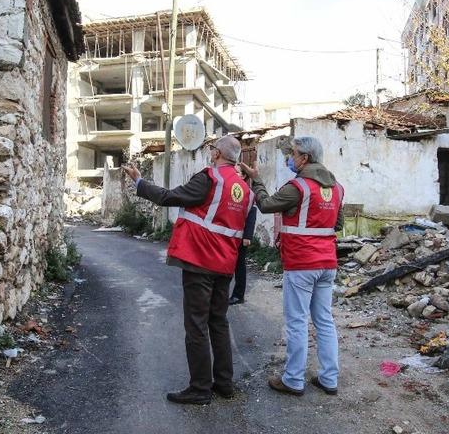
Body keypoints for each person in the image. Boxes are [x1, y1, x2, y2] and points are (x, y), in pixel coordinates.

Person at [122, 135, 252, 405]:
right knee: (218, 322)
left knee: (196, 324)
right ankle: (224, 383)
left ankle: (200, 388)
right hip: (225, 264)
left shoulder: (209, 179)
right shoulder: (243, 189)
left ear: (217, 154)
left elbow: (169, 197)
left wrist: (139, 182)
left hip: (200, 260)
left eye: (212, 149)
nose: (210, 152)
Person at [239, 136, 344, 397]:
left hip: (301, 262)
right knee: (324, 321)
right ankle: (329, 379)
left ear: (305, 158)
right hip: (327, 263)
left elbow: (266, 205)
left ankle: (294, 379)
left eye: (293, 154)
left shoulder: (298, 187)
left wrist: (257, 180)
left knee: (297, 321)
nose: (290, 158)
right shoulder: (337, 187)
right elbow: (338, 224)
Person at [229, 169, 257, 305]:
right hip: (228, 236)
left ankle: (238, 295)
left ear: (244, 175)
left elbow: (252, 214)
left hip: (240, 237)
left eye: (238, 172)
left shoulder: (247, 192)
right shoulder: (230, 188)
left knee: (239, 265)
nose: (234, 174)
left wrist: (247, 236)